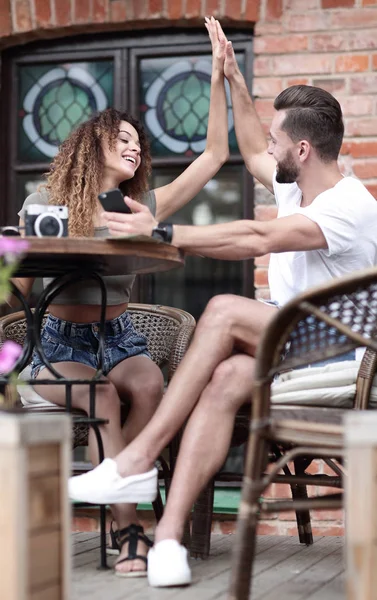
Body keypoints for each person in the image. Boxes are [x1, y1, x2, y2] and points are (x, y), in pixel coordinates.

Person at [68, 19, 377, 587]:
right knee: (227, 377)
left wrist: (157, 234)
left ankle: (135, 463)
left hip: (342, 352)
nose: (270, 148)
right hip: (295, 347)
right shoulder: (298, 184)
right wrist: (233, 77)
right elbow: (255, 144)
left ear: (303, 149)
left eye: (283, 140)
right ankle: (166, 542)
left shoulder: (348, 207)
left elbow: (254, 239)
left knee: (225, 310)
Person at [11, 17, 229, 578]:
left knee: (151, 382)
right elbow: (17, 290)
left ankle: (122, 491)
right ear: (93, 145)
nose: (134, 149)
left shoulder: (142, 210)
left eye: (138, 143)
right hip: (56, 340)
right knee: (103, 396)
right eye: (123, 139)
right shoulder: (46, 200)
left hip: (122, 334)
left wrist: (217, 80)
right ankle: (128, 529)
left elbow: (211, 157)